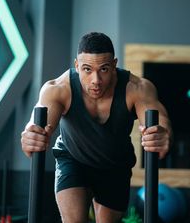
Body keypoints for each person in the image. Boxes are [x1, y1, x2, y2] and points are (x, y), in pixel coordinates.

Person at [21, 32, 172, 223]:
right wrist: (30, 135)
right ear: (76, 65)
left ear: (114, 65)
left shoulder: (136, 88)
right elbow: (37, 123)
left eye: (104, 69)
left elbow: (160, 119)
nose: (96, 80)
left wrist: (163, 133)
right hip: (73, 159)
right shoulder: (58, 89)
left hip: (115, 164)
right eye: (87, 69)